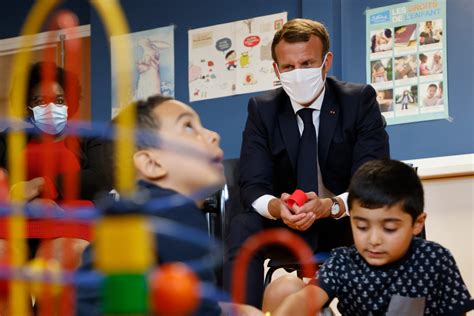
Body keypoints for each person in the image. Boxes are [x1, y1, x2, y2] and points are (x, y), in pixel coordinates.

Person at [224, 18, 390, 307]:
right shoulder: (262, 110)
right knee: (242, 226)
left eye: (307, 64)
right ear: (276, 69)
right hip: (285, 225)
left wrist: (332, 206)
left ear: (326, 63)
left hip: (344, 221)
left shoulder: (359, 100)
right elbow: (252, 183)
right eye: (288, 67)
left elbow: (373, 178)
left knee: (390, 213)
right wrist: (278, 207)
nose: (297, 73)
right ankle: (241, 313)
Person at [76, 96, 261, 316]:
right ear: (152, 163)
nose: (213, 135)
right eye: (188, 127)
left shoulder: (143, 212)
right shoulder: (176, 214)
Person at [262, 159, 474, 315]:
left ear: (417, 223)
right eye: (362, 227)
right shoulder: (343, 262)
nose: (374, 239)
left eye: (389, 229)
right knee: (285, 287)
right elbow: (304, 300)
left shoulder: (435, 260)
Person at [0, 62, 111, 261]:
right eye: (41, 101)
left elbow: (100, 178)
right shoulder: (9, 139)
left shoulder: (89, 138)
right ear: (28, 106)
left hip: (69, 222)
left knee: (65, 258)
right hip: (16, 222)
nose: (51, 107)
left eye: (59, 100)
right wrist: (30, 201)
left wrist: (42, 184)